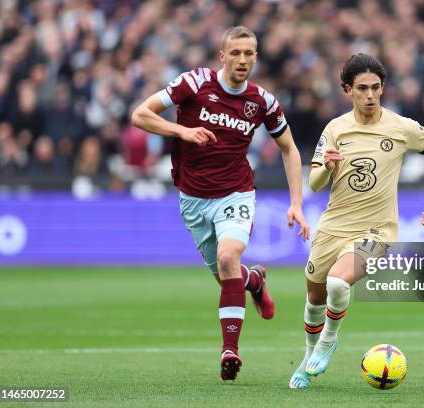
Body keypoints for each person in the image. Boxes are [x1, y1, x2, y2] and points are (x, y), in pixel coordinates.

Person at [131, 26, 310, 381]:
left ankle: (231, 350)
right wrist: (182, 131)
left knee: (229, 257)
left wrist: (297, 203)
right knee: (226, 276)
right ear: (222, 56)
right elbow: (140, 114)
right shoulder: (195, 84)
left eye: (249, 54)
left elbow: (289, 149)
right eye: (236, 53)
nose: (242, 60)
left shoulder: (262, 102)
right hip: (193, 198)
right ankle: (254, 281)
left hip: (236, 192)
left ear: (256, 57)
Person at [289, 54, 424, 389]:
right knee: (315, 297)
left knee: (337, 283)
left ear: (383, 88)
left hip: (376, 230)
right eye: (362, 88)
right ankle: (306, 362)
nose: (370, 95)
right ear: (348, 89)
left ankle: (328, 341)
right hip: (332, 225)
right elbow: (316, 183)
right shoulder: (335, 129)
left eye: (376, 87)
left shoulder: (401, 127)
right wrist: (327, 168)